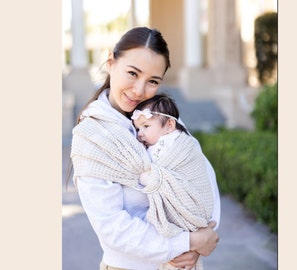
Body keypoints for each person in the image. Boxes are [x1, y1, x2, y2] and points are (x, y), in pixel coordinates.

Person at [69, 26, 220, 270]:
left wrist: (202, 241)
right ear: (111, 62)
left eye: (152, 81)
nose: (139, 90)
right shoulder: (92, 137)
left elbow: (202, 176)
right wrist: (187, 241)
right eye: (132, 73)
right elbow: (112, 227)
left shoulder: (161, 118)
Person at [131, 93, 215, 269]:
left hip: (191, 207)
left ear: (170, 125)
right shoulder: (154, 144)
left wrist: (151, 177)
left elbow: (166, 174)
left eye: (146, 126)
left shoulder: (177, 144)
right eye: (138, 129)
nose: (140, 134)